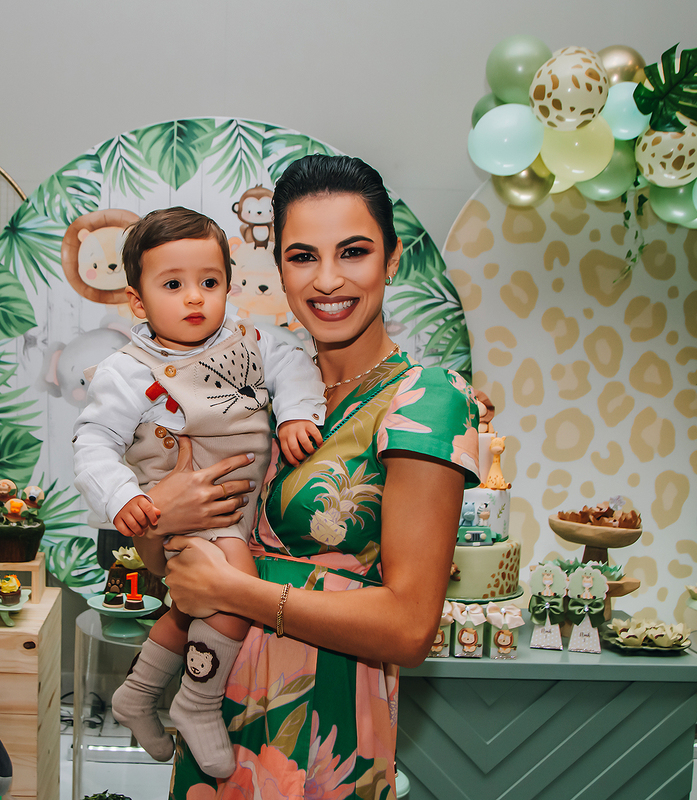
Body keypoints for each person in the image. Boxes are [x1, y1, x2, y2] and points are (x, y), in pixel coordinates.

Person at [136, 154, 481, 799]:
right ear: (280, 269)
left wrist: (237, 591)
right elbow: (172, 574)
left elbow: (411, 629)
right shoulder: (258, 392)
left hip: (324, 725)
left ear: (392, 259)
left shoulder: (425, 399)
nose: (327, 280)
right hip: (214, 707)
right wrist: (162, 521)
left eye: (353, 252)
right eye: (302, 256)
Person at [71, 206, 327, 777]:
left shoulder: (251, 340)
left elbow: (294, 366)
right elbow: (93, 442)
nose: (194, 297)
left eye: (209, 282)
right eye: (173, 285)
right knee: (235, 584)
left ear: (228, 286)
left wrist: (295, 414)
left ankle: (137, 694)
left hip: (238, 510)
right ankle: (197, 701)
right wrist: (124, 499)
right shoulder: (127, 371)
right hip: (185, 513)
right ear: (138, 302)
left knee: (192, 608)